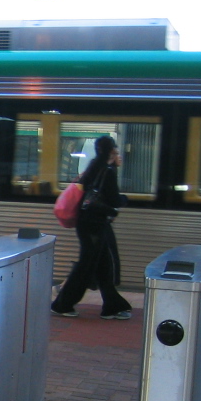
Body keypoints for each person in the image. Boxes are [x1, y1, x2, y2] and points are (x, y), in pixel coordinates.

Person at [51, 135, 133, 320]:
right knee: (86, 266)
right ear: (111, 151)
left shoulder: (94, 167)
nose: (119, 154)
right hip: (94, 225)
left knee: (104, 265)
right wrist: (125, 199)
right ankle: (62, 304)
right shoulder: (107, 171)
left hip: (89, 224)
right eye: (117, 150)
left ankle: (112, 306)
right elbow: (114, 199)